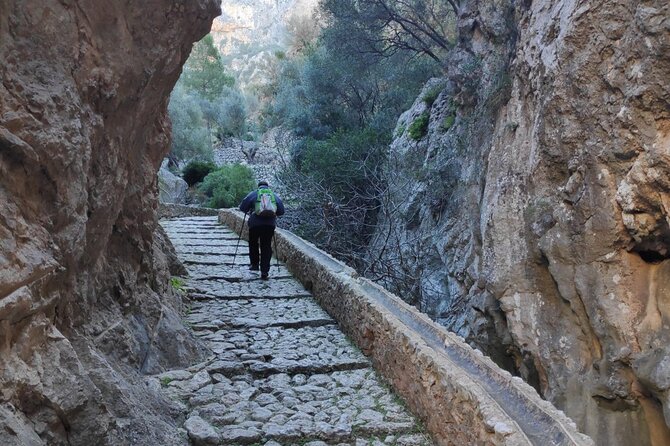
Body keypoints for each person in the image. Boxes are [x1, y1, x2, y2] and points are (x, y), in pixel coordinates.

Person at [239, 180, 285, 280]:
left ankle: (254, 265)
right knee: (266, 245)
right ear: (267, 187)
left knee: (253, 243)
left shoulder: (254, 194)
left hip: (255, 224)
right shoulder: (273, 195)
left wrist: (252, 208)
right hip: (269, 225)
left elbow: (242, 208)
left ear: (258, 186)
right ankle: (265, 271)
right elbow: (281, 211)